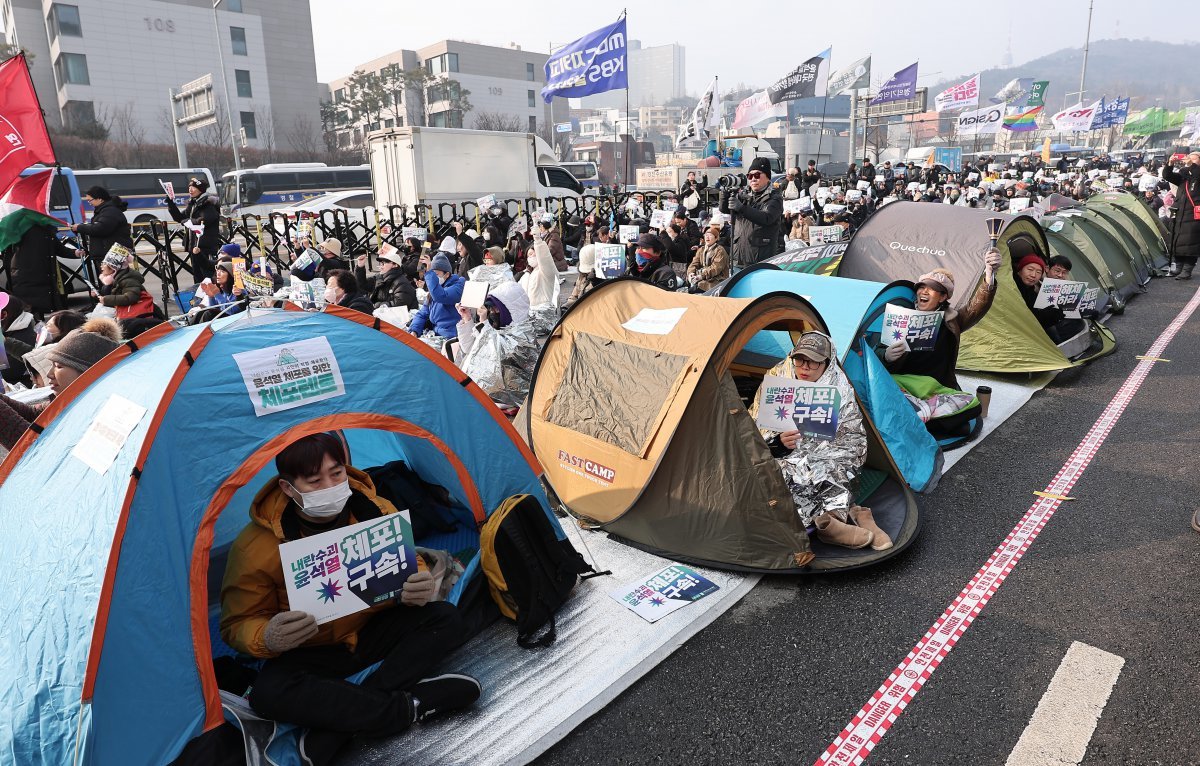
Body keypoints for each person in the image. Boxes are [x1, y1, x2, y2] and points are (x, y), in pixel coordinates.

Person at [220, 433, 478, 765]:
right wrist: (269, 636)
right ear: (288, 488)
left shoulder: (373, 507)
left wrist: (420, 585)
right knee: (268, 693)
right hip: (313, 648)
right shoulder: (254, 547)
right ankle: (407, 706)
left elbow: (407, 566)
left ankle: (340, 724)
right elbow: (236, 624)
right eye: (314, 481)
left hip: (372, 628)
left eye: (337, 473)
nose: (330, 486)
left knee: (444, 618)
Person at [755, 333, 891, 554]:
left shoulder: (839, 386)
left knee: (826, 470)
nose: (805, 367)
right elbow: (755, 428)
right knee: (780, 479)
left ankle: (834, 522)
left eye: (813, 361)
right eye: (799, 359)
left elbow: (852, 438)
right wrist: (777, 442)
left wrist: (825, 449)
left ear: (827, 363)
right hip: (786, 453)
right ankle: (849, 515)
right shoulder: (777, 377)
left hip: (829, 452)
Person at [881, 248, 1002, 391]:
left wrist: (989, 274)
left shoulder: (952, 320)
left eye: (931, 288)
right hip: (903, 385)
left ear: (943, 297)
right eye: (921, 287)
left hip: (939, 387)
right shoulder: (901, 314)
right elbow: (876, 350)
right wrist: (886, 356)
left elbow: (977, 307)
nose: (924, 291)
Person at [0, 317, 122, 449]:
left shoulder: (100, 413)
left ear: (88, 372)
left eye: (58, 366)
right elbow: (35, 416)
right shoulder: (69, 399)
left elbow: (35, 451)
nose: (49, 374)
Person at [454, 281, 537, 407]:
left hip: (507, 398)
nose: (492, 312)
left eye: (496, 308)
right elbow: (470, 351)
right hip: (484, 395)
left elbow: (498, 355)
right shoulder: (496, 330)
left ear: (510, 310)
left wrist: (484, 325)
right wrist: (467, 319)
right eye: (491, 308)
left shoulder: (523, 334)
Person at [719, 157, 783, 268]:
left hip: (759, 261)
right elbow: (724, 209)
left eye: (757, 175)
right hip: (737, 259)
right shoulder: (744, 194)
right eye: (750, 176)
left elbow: (767, 218)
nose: (753, 179)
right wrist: (724, 194)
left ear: (767, 177)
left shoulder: (774, 198)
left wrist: (742, 208)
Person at [8, 223, 73, 314]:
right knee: (32, 311)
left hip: (41, 275)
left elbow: (59, 249)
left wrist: (76, 253)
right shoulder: (21, 227)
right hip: (29, 275)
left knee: (38, 310)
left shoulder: (46, 229)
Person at [165, 176, 220, 282]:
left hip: (205, 246)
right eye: (189, 187)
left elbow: (206, 219)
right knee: (198, 277)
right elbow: (179, 218)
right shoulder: (194, 203)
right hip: (194, 246)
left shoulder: (207, 203)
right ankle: (200, 296)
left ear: (201, 189)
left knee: (206, 276)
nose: (190, 189)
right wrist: (171, 203)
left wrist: (189, 222)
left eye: (193, 187)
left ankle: (210, 296)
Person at [408, 253, 465, 339]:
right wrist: (414, 330)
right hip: (436, 334)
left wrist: (430, 273)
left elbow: (441, 296)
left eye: (436, 275)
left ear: (447, 274)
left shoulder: (458, 286)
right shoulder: (434, 290)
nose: (434, 278)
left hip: (452, 335)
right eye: (433, 275)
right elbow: (422, 313)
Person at [71, 185, 134, 264]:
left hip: (112, 254)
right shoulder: (104, 210)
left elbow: (101, 228)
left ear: (100, 199)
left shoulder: (109, 211)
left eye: (90, 200)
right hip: (108, 252)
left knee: (112, 276)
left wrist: (80, 227)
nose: (89, 203)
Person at [1163, 151, 1200, 280]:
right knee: (1177, 238)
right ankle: (1178, 267)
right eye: (1189, 158)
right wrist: (1170, 163)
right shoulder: (1184, 174)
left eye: (1193, 159)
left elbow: (1196, 175)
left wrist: (1192, 166)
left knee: (1191, 240)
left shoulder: (1197, 173)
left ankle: (1187, 270)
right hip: (1179, 211)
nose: (1190, 161)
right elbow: (1167, 176)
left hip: (1193, 213)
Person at [93, 247, 154, 321]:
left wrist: (106, 300)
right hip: (122, 312)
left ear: (113, 267)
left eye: (104, 263)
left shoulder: (128, 280)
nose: (101, 266)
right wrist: (98, 294)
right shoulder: (114, 278)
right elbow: (112, 294)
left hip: (134, 316)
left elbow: (130, 298)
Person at [687, 225, 729, 292]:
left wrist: (701, 276)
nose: (707, 237)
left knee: (694, 289)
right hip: (704, 277)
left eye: (710, 235)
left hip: (717, 280)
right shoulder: (701, 249)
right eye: (706, 235)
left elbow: (716, 268)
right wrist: (691, 273)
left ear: (716, 238)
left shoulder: (720, 250)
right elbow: (694, 263)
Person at [564, 243, 596, 309]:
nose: (588, 272)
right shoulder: (582, 277)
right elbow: (574, 295)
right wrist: (567, 306)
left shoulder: (600, 281)